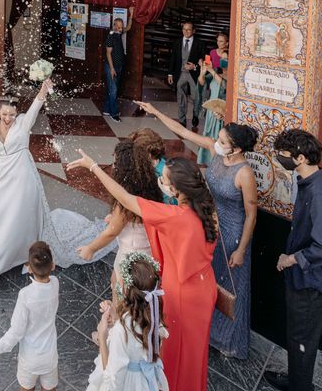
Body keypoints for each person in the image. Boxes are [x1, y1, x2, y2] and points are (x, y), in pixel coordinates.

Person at [67, 152, 218, 391]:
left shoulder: (176, 217)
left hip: (182, 292)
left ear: (178, 190)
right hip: (204, 286)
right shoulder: (207, 209)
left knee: (175, 353)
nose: (161, 182)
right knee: (194, 352)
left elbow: (126, 199)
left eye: (165, 180)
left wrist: (93, 166)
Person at [135, 100, 259, 358]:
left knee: (230, 286)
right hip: (209, 222)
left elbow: (251, 216)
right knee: (209, 279)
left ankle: (229, 340)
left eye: (223, 141)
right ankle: (208, 329)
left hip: (234, 232)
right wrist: (156, 112)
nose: (217, 142)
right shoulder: (217, 153)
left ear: (235, 149)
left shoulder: (244, 173)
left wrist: (242, 250)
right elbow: (184, 133)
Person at [0, 80, 116, 295]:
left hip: (23, 181)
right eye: (4, 114)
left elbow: (36, 104)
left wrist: (42, 91)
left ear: (17, 112)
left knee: (23, 220)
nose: (8, 119)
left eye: (12, 114)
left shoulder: (22, 123)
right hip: (3, 181)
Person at [264, 130, 322, 391]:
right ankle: (297, 379)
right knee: (296, 335)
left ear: (299, 158)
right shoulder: (307, 182)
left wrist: (291, 259)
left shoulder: (318, 194)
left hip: (309, 281)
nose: (279, 159)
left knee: (302, 338)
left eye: (283, 156)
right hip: (299, 276)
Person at [76, 140, 163, 299]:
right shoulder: (149, 184)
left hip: (132, 256)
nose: (114, 166)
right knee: (116, 283)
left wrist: (91, 249)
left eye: (116, 163)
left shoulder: (126, 198)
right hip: (146, 250)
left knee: (121, 295)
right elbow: (132, 219)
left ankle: (118, 320)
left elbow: (111, 232)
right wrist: (117, 218)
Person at [86, 252, 169, 391]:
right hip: (145, 382)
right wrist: (117, 316)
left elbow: (113, 380)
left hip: (127, 384)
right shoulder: (152, 312)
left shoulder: (121, 330)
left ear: (126, 290)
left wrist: (102, 336)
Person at [0, 241, 59, 391]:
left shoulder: (26, 295)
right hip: (50, 356)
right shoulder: (55, 283)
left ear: (29, 268)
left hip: (30, 359)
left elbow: (17, 330)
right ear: (52, 265)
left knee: (27, 388)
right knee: (50, 388)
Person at [197, 33, 229, 165]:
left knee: (219, 135)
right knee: (208, 134)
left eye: (225, 60)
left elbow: (223, 85)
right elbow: (202, 83)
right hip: (211, 110)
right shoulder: (215, 73)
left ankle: (218, 161)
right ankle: (207, 159)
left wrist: (211, 70)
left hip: (221, 111)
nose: (223, 61)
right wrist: (202, 71)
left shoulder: (226, 77)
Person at [168, 22, 205, 128]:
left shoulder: (200, 43)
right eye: (184, 29)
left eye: (189, 29)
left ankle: (195, 116)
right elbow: (173, 58)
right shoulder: (177, 42)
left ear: (194, 30)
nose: (186, 32)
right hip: (181, 74)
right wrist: (170, 73)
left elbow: (204, 62)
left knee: (196, 97)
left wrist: (194, 67)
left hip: (194, 74)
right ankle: (182, 119)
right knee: (181, 97)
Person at [103, 7, 134, 122]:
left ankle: (106, 109)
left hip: (119, 66)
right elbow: (108, 53)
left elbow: (129, 27)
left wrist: (131, 15)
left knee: (112, 89)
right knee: (114, 90)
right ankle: (114, 113)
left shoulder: (119, 33)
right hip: (112, 67)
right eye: (119, 27)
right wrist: (111, 68)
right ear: (114, 26)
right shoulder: (111, 35)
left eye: (122, 27)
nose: (121, 29)